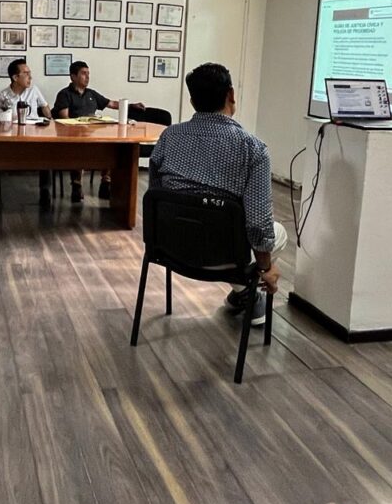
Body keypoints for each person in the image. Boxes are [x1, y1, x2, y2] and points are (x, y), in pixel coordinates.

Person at [148, 62, 287, 327]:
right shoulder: (253, 149)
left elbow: (155, 194)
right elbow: (258, 224)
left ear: (192, 101)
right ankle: (247, 292)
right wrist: (266, 269)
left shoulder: (169, 137)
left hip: (169, 248)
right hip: (224, 256)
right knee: (277, 232)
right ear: (231, 95)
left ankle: (243, 294)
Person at [53, 60, 144, 203]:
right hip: (74, 136)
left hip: (93, 134)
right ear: (73, 76)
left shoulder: (91, 94)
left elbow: (111, 103)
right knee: (79, 148)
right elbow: (64, 118)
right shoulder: (64, 94)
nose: (87, 77)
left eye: (88, 74)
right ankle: (76, 184)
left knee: (110, 147)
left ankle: (105, 183)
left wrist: (131, 105)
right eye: (83, 74)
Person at [0, 58, 53, 206]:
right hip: (11, 136)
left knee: (47, 152)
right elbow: (1, 121)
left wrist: (50, 120)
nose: (30, 77)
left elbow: (45, 108)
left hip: (34, 134)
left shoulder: (34, 90)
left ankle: (45, 190)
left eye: (30, 73)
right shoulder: (3, 96)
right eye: (26, 73)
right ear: (15, 77)